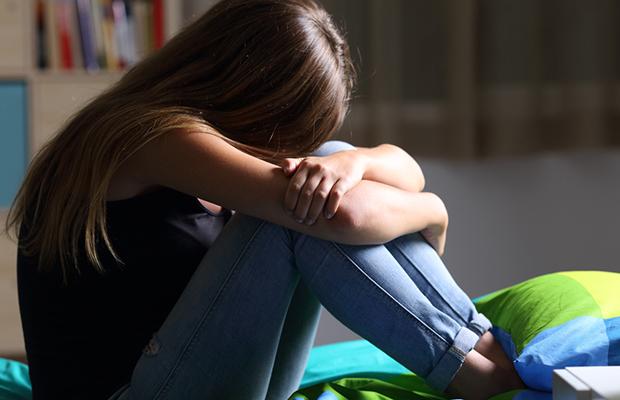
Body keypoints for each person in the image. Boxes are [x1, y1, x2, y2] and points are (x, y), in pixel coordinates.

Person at [6, 0, 525, 399]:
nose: (285, 151)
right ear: (252, 94)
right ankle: (472, 366)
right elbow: (343, 215)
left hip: (206, 379)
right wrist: (435, 211)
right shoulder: (150, 137)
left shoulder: (204, 140)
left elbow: (402, 172)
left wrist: (356, 162)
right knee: (297, 213)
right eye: (287, 131)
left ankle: (473, 342)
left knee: (329, 162)